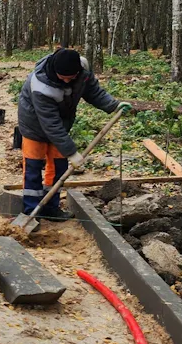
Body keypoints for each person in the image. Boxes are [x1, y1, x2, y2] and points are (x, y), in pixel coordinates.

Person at [17, 48, 131, 221]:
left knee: (58, 167)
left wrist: (113, 105)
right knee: (33, 167)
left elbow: (93, 92)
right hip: (34, 124)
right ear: (55, 71)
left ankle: (50, 208)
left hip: (61, 124)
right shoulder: (41, 85)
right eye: (63, 77)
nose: (66, 80)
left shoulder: (82, 71)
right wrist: (71, 152)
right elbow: (50, 124)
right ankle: (30, 211)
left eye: (70, 77)